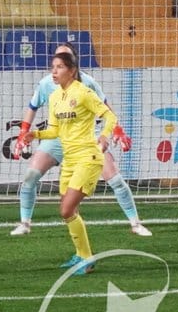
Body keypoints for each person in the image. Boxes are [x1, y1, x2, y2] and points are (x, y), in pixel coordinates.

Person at [12, 43, 147, 238]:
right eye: (57, 58)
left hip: (85, 141)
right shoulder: (47, 84)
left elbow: (106, 108)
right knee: (30, 177)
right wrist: (24, 133)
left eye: (64, 59)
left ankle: (135, 223)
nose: (58, 65)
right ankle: (25, 223)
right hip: (56, 138)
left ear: (73, 64)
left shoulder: (88, 84)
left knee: (115, 179)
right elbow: (32, 107)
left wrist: (115, 131)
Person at [20, 49, 119, 276]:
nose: (54, 72)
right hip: (70, 160)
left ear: (72, 71)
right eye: (53, 67)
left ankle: (87, 259)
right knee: (68, 210)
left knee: (66, 209)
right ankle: (81, 255)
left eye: (60, 67)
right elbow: (55, 129)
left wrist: (104, 135)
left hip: (88, 157)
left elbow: (110, 116)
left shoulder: (83, 93)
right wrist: (35, 134)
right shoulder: (55, 97)